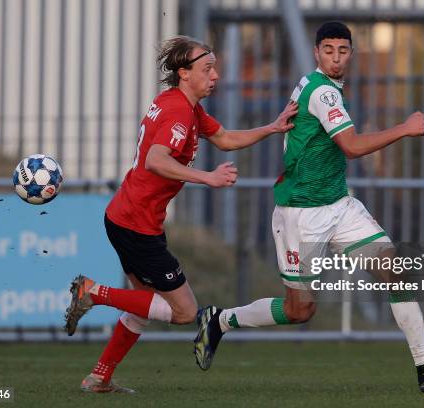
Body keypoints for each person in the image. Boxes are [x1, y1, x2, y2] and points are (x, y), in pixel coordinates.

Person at [193, 21, 424, 394]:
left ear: (351, 54)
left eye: (342, 51)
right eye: (328, 50)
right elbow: (353, 146)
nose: (336, 57)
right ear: (316, 53)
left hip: (339, 205)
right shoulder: (323, 92)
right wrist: (405, 128)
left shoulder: (319, 86)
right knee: (300, 311)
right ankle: (221, 320)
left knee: (395, 270)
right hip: (301, 212)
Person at [63, 35, 297, 393]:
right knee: (185, 312)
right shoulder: (177, 111)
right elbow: (157, 159)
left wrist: (272, 127)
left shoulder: (184, 105)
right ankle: (94, 293)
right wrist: (208, 177)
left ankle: (99, 378)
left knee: (145, 309)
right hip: (135, 224)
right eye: (207, 68)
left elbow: (224, 138)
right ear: (184, 73)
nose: (215, 75)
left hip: (131, 218)